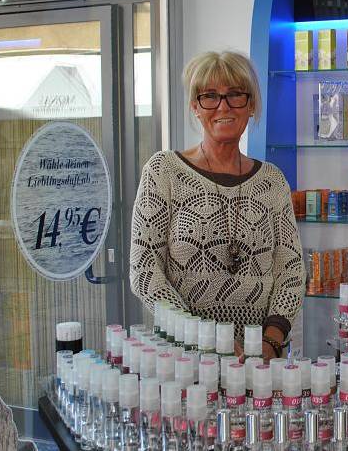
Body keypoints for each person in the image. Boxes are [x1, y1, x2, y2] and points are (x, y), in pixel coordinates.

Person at [129, 51, 305, 361]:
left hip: (259, 363)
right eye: (210, 96)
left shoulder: (272, 182)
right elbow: (144, 270)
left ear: (251, 105)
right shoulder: (164, 172)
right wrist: (204, 337)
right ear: (195, 107)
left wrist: (271, 341)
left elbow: (290, 269)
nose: (223, 107)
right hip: (185, 361)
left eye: (235, 95)